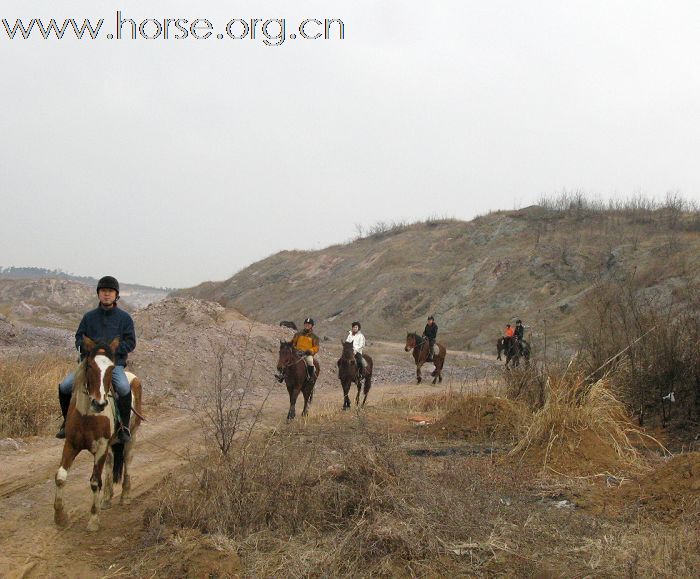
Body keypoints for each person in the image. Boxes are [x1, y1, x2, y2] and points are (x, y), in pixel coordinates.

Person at [56, 276, 136, 443]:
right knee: (64, 386)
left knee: (123, 387)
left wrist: (112, 352)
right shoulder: (88, 317)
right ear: (98, 294)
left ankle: (123, 427)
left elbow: (131, 342)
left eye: (110, 291)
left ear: (116, 295)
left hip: (113, 366)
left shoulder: (125, 319)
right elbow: (79, 337)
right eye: (103, 291)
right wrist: (84, 348)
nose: (106, 294)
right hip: (89, 365)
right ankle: (66, 423)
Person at [291, 317, 320, 385]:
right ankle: (282, 375)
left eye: (309, 324)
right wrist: (293, 348)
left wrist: (310, 350)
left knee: (310, 361)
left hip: (307, 354)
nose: (307, 325)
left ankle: (310, 378)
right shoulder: (298, 334)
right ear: (304, 325)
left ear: (312, 326)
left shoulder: (314, 337)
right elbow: (293, 342)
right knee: (287, 359)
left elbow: (316, 347)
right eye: (306, 324)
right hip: (297, 352)